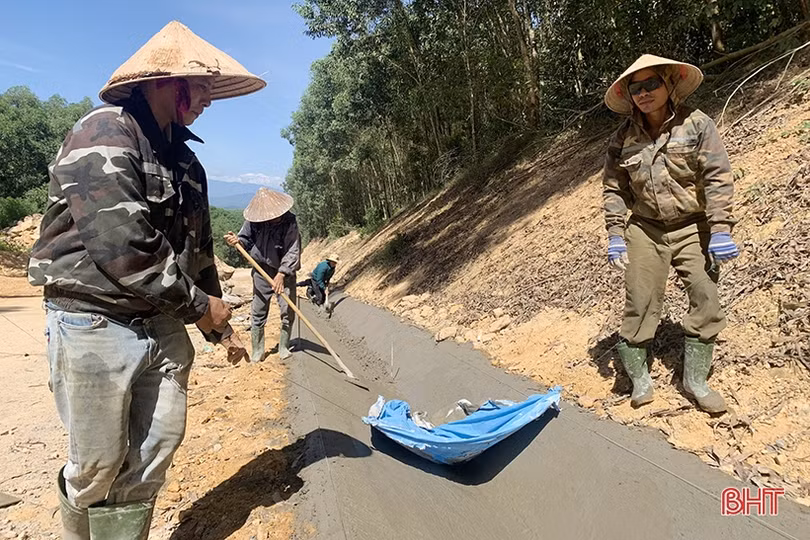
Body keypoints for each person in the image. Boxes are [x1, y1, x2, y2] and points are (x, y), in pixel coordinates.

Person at [27, 21, 264, 539]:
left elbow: (198, 253)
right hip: (93, 320)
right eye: (200, 85)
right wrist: (199, 307)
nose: (208, 98)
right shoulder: (104, 133)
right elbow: (123, 246)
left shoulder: (187, 163)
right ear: (163, 81)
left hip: (161, 321)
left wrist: (220, 325)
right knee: (97, 464)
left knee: (155, 450)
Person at [602, 54, 739, 413]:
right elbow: (614, 189)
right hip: (645, 229)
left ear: (668, 84)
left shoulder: (697, 124)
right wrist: (615, 234)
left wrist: (721, 228)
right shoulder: (622, 138)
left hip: (695, 225)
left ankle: (696, 380)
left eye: (652, 84)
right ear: (629, 95)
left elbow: (717, 176)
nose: (644, 93)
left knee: (705, 295)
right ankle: (639, 378)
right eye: (636, 88)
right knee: (640, 300)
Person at [224, 188, 301, 363]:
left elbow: (292, 250)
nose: (272, 218)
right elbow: (244, 239)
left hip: (284, 272)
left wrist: (282, 273)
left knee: (287, 310)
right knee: (258, 311)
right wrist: (237, 241)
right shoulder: (254, 220)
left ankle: (283, 346)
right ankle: (258, 351)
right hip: (261, 269)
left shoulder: (290, 222)